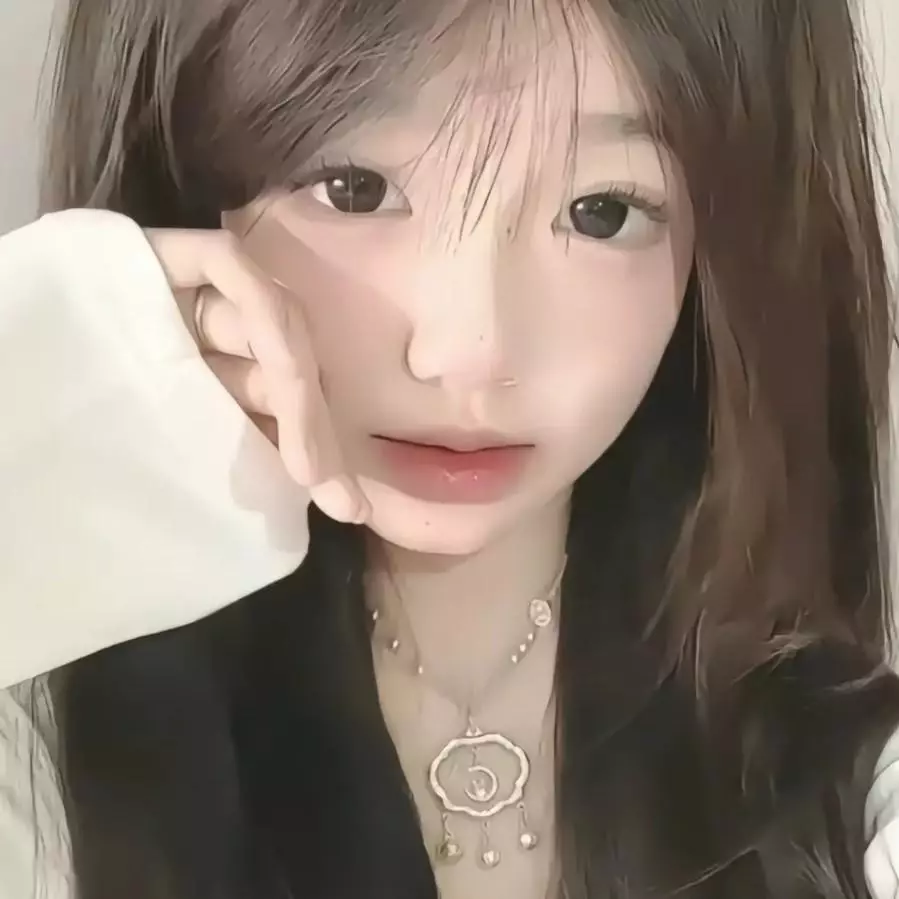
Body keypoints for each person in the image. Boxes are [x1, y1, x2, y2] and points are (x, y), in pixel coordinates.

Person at [2, 0, 899, 896]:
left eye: (601, 211)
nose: (469, 349)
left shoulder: (850, 781)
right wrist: (51, 361)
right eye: (353, 187)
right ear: (179, 181)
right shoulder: (40, 755)